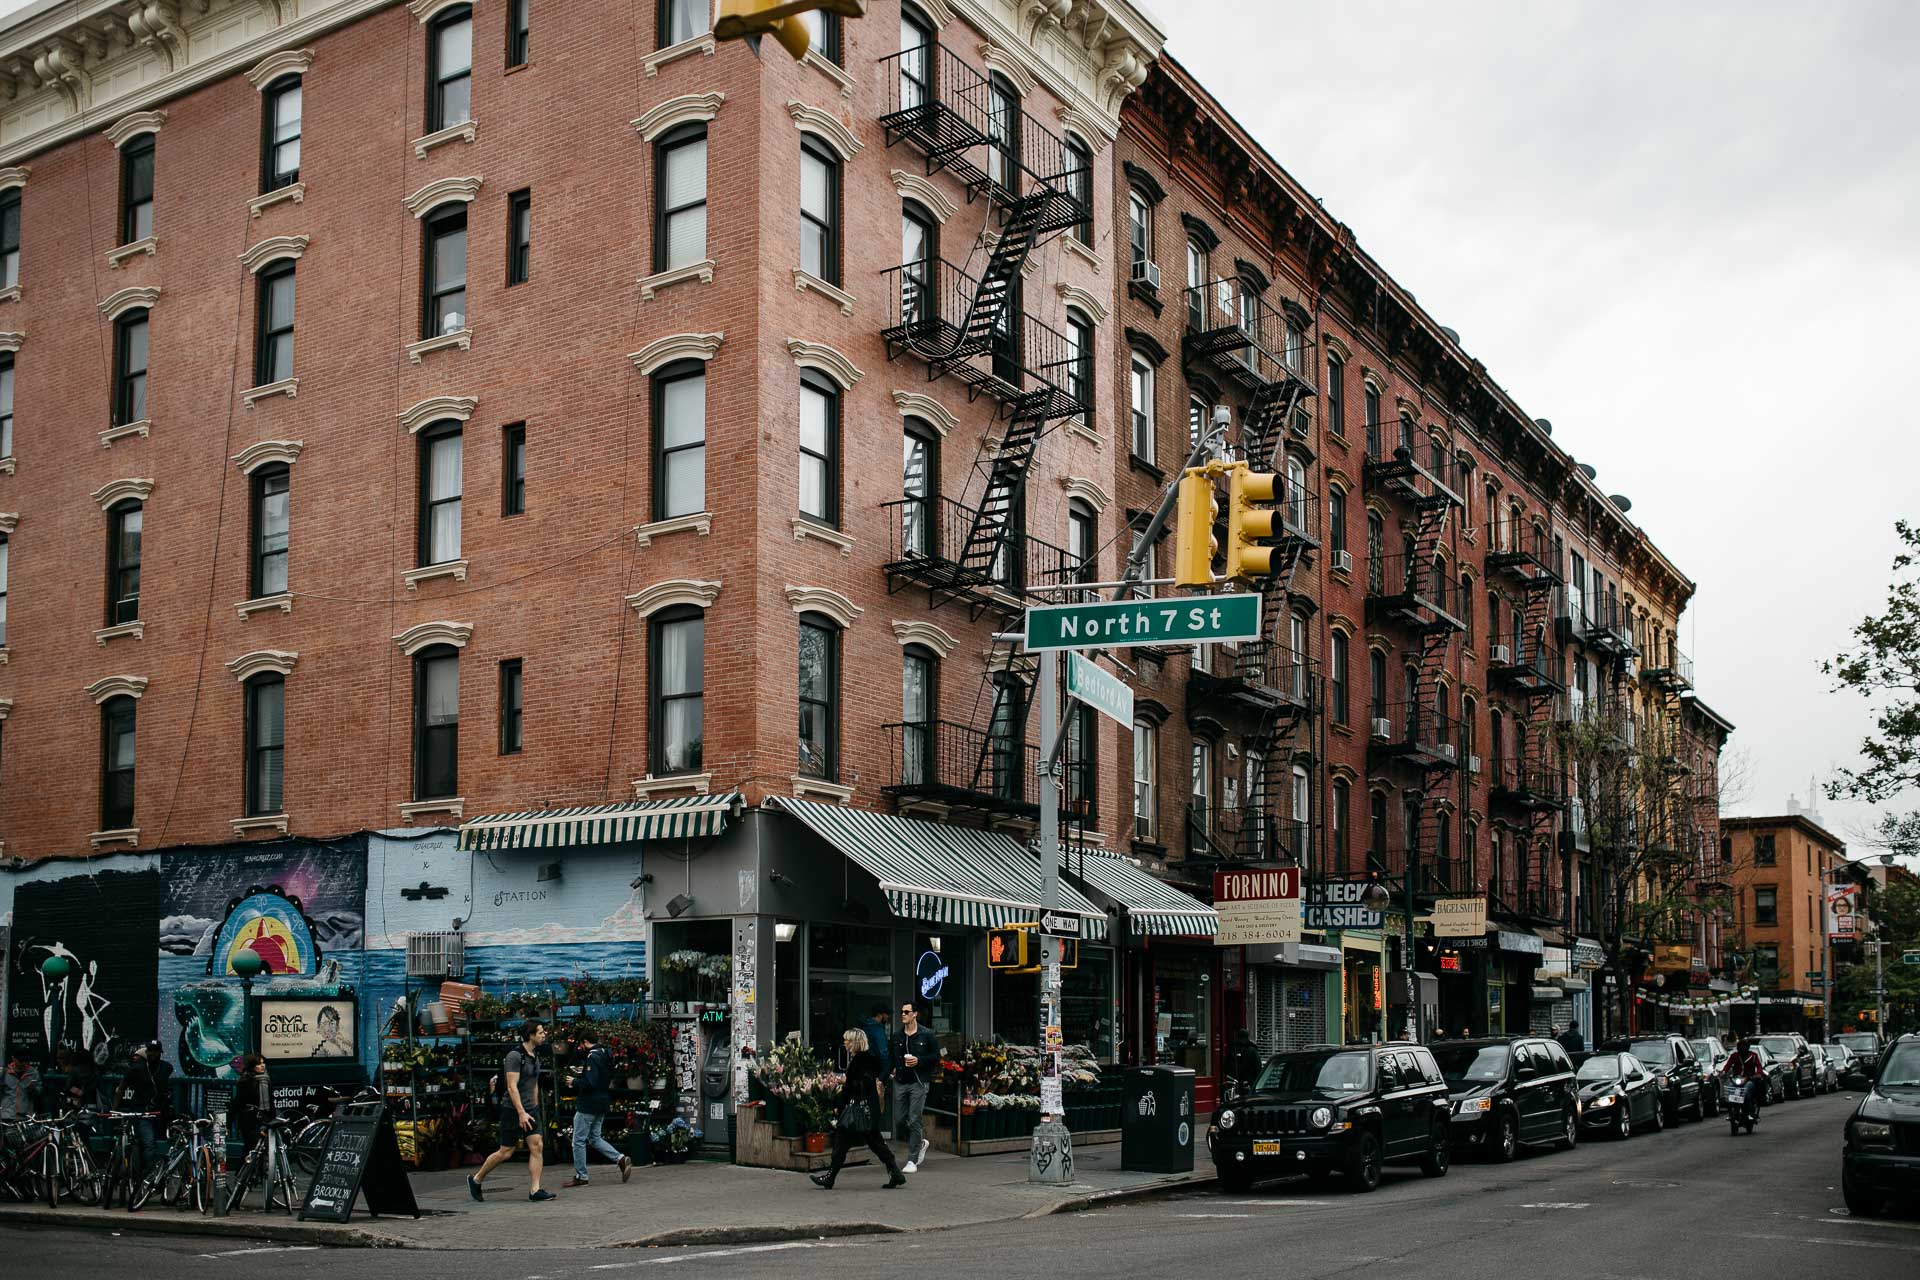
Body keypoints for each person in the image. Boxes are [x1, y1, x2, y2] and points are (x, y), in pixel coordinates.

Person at [810, 1029, 904, 1191]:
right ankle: (895, 1172)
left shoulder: (859, 1061)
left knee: (844, 1140)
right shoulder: (869, 1059)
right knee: (875, 1142)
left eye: (847, 1040)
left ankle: (830, 1178)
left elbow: (854, 1087)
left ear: (855, 1042)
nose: (845, 1043)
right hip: (868, 1108)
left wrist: (842, 1098)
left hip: (858, 1109)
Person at [471, 1020, 555, 1203]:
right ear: (531, 1035)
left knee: (537, 1145)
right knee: (506, 1151)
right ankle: (476, 1179)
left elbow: (534, 1083)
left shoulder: (535, 1055)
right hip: (512, 1109)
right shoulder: (514, 1056)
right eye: (540, 1032)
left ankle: (535, 1190)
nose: (544, 1035)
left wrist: (534, 1107)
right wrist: (521, 1112)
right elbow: (511, 1086)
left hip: (531, 1109)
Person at [564, 1025, 631, 1188]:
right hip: (602, 1101)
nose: (580, 1048)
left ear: (585, 1042)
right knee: (594, 1138)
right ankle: (620, 1159)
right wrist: (584, 1073)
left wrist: (575, 1081)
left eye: (581, 1044)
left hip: (588, 1103)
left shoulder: (592, 1056)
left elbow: (591, 1083)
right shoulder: (604, 1053)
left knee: (578, 1140)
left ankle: (581, 1176)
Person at [892, 1001, 939, 1173]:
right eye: (902, 1012)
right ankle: (920, 1143)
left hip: (919, 1082)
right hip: (900, 1081)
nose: (903, 1014)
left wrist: (919, 1061)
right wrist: (884, 1076)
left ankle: (912, 1160)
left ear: (915, 1014)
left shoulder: (927, 1034)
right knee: (899, 1120)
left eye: (906, 1012)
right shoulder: (897, 1036)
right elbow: (891, 1057)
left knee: (914, 1119)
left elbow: (936, 1056)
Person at [120, 1040, 174, 1163]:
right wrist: (114, 1108)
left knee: (161, 1142)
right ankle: (148, 1171)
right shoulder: (136, 1069)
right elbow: (121, 1088)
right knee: (149, 1144)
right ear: (147, 1052)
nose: (153, 1054)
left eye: (156, 1051)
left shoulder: (166, 1068)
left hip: (160, 1112)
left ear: (160, 1053)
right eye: (151, 1051)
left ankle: (158, 1169)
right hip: (143, 1112)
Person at [230, 1053, 272, 1150]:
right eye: (259, 1064)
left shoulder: (266, 1080)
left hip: (264, 1119)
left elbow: (271, 1102)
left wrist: (271, 1118)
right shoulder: (246, 1081)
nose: (262, 1065)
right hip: (249, 1119)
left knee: (263, 1148)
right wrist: (229, 1122)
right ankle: (244, 1160)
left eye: (263, 1063)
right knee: (251, 1147)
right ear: (252, 1066)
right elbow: (238, 1102)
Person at [2, 1049, 40, 1120]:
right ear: (13, 1059)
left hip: (26, 1116)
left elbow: (38, 1094)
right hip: (7, 1115)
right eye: (21, 1061)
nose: (24, 1063)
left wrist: (33, 1089)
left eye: (26, 1060)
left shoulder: (33, 1073)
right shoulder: (5, 1073)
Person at [1224, 1030, 1263, 1098]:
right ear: (1248, 1037)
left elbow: (1226, 1066)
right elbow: (1258, 1068)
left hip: (1233, 1083)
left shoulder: (1231, 1049)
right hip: (1249, 1083)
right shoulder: (1252, 1050)